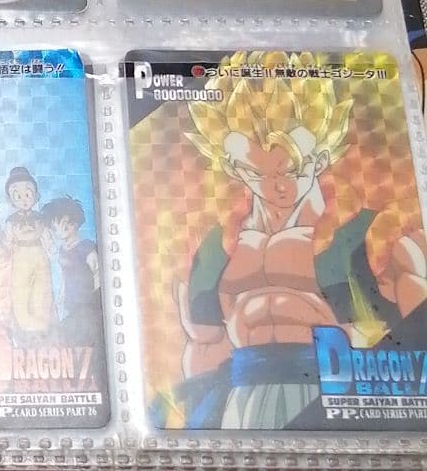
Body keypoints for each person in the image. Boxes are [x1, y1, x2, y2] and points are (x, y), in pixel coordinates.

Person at [168, 52, 427, 429]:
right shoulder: (214, 247)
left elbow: (416, 329)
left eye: (292, 169)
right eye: (256, 172)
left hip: (339, 401)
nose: (277, 186)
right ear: (233, 167)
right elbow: (202, 344)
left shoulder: (367, 234)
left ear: (320, 157)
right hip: (242, 401)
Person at [41, 196, 101, 347]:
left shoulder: (86, 246)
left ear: (75, 223)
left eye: (68, 223)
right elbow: (64, 274)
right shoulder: (62, 250)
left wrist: (97, 297)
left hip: (87, 303)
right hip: (71, 303)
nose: (66, 227)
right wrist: (62, 294)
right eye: (58, 226)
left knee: (84, 337)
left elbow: (97, 272)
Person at [4, 166, 53, 343]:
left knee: (42, 289)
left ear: (36, 195)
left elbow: (46, 236)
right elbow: (8, 240)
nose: (24, 200)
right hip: (20, 255)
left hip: (39, 254)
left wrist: (50, 247)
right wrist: (7, 253)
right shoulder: (11, 221)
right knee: (20, 290)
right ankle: (24, 327)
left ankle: (41, 326)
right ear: (10, 199)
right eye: (18, 196)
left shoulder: (40, 218)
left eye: (28, 194)